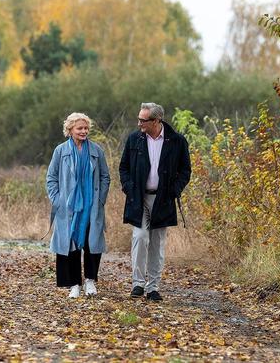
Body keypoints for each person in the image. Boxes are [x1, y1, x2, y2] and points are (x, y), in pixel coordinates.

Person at [119, 102, 191, 302]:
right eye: (139, 118)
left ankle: (153, 288)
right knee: (141, 237)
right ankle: (138, 284)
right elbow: (123, 167)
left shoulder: (177, 141)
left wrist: (173, 191)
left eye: (143, 120)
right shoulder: (134, 139)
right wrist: (128, 187)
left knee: (157, 244)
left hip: (163, 199)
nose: (139, 123)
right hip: (139, 198)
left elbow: (185, 170)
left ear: (157, 120)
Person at [46, 112, 110, 298]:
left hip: (92, 206)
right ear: (70, 130)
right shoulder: (60, 151)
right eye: (79, 128)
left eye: (86, 128)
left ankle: (90, 281)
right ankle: (74, 284)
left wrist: (100, 200)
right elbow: (51, 178)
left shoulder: (96, 151)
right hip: (68, 208)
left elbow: (105, 176)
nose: (84, 131)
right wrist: (58, 200)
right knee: (70, 246)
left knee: (92, 244)